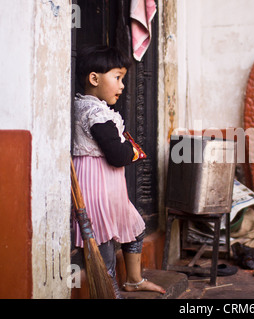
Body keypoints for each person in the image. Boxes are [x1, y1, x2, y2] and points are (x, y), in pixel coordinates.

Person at [72, 45, 165, 297]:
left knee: (135, 228)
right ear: (94, 78)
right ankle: (109, 292)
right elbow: (116, 156)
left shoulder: (92, 109)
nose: (122, 85)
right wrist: (130, 150)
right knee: (104, 249)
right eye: (117, 77)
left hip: (110, 189)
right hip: (96, 190)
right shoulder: (94, 112)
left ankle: (134, 280)